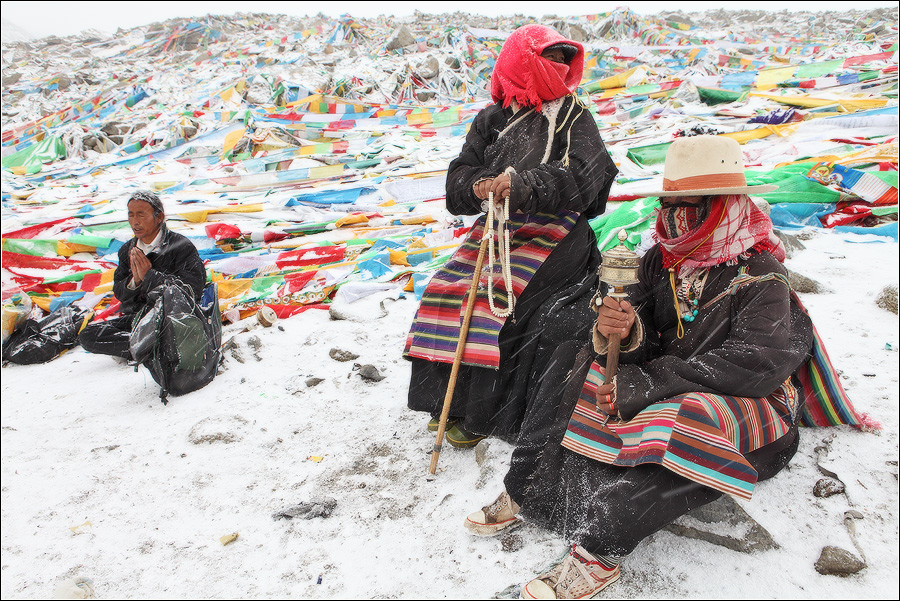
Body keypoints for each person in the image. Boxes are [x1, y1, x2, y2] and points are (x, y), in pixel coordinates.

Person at [463, 135, 825, 598]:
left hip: (743, 399)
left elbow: (757, 363)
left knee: (685, 416)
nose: (675, 217)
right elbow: (640, 335)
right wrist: (625, 328)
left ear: (720, 206)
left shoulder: (760, 277)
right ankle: (527, 485)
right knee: (572, 362)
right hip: (667, 378)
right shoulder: (662, 260)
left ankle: (598, 551)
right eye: (669, 203)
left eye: (689, 206)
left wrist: (648, 381)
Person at [403, 24, 618, 447]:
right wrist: (481, 185)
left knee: (501, 301)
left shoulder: (575, 116)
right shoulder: (492, 118)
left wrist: (525, 185)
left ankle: (483, 414)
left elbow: (588, 175)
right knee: (447, 290)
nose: (559, 67)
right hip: (496, 229)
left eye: (563, 60)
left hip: (557, 234)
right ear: (521, 61)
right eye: (549, 59)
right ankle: (447, 401)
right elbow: (458, 178)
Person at [79, 190, 206, 360]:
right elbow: (120, 293)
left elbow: (192, 289)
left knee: (171, 333)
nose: (135, 222)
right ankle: (150, 348)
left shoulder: (180, 246)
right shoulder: (128, 250)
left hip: (171, 318)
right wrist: (135, 281)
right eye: (131, 215)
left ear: (159, 217)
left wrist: (150, 276)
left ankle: (144, 347)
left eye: (141, 215)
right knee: (88, 335)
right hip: (139, 318)